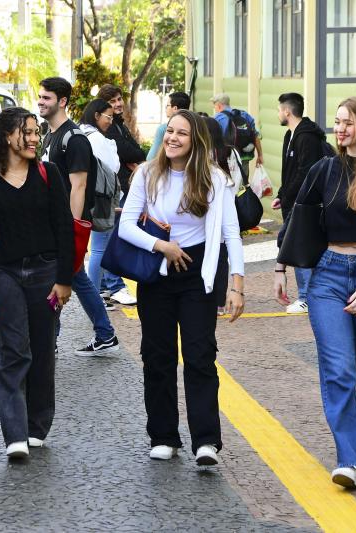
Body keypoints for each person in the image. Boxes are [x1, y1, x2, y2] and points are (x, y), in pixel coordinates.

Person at [274, 95, 356, 489]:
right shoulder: (325, 169)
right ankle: (348, 459)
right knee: (340, 369)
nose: (340, 129)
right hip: (329, 278)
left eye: (348, 123)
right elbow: (298, 219)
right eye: (337, 122)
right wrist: (281, 266)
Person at [119, 109, 245, 465]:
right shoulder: (147, 173)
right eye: (170, 131)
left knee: (200, 355)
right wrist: (162, 246)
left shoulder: (215, 179)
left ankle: (206, 441)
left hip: (197, 275)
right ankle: (163, 435)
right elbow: (126, 226)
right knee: (157, 356)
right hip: (157, 274)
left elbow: (230, 233)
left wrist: (237, 284)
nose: (173, 138)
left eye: (182, 134)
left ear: (196, 141)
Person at [0, 107, 74, 459]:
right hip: (4, 274)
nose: (33, 138)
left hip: (45, 274)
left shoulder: (49, 174)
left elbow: (65, 228)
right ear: (6, 136)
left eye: (35, 132)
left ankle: (36, 426)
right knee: (14, 349)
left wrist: (64, 279)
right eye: (26, 132)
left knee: (43, 351)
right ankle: (15, 434)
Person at [38, 77, 120, 356]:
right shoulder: (49, 135)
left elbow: (79, 186)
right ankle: (104, 333)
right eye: (40, 97)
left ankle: (51, 340)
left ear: (62, 102)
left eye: (46, 98)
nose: (40, 102)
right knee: (74, 278)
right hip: (50, 223)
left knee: (60, 277)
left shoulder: (74, 139)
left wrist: (72, 231)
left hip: (68, 224)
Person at [272, 92, 330, 315]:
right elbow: (290, 171)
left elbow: (307, 172)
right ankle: (307, 295)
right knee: (297, 247)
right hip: (293, 202)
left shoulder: (307, 137)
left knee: (300, 248)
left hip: (305, 205)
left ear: (287, 111)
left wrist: (290, 197)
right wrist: (281, 194)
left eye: (279, 110)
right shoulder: (291, 135)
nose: (278, 113)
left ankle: (306, 297)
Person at [96, 83, 144, 305]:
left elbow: (138, 150)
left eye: (118, 99)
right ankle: (114, 285)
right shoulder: (108, 128)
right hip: (114, 189)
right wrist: (131, 156)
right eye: (112, 101)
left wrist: (133, 156)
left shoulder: (119, 124)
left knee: (110, 239)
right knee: (110, 240)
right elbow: (128, 151)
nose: (117, 104)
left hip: (121, 188)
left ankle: (107, 285)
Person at [78, 99, 121, 311]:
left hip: (85, 195)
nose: (110, 122)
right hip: (102, 196)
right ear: (96, 115)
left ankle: (94, 294)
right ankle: (94, 296)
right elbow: (113, 166)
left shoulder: (79, 132)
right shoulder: (97, 138)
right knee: (99, 248)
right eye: (108, 117)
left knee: (95, 248)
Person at [203, 116, 242, 316]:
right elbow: (237, 178)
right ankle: (219, 301)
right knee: (221, 258)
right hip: (228, 206)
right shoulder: (229, 151)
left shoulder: (201, 153)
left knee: (211, 256)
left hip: (210, 213)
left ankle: (209, 296)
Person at [211, 93, 263, 179]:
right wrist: (260, 155)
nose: (215, 109)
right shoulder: (245, 115)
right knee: (243, 186)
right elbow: (256, 136)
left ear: (219, 106)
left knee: (227, 185)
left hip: (226, 159)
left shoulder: (218, 118)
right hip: (244, 157)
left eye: (215, 107)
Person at [148, 92, 191, 160]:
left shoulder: (163, 128)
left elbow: (151, 158)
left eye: (167, 105)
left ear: (175, 108)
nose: (166, 108)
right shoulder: (195, 126)